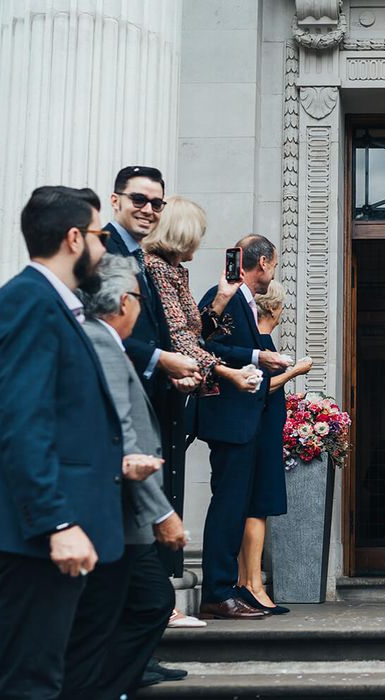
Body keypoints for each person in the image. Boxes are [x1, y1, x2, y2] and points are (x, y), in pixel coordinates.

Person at [0, 186, 124, 699]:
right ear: (74, 238)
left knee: (55, 675)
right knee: (31, 680)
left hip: (57, 528)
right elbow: (22, 423)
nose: (104, 249)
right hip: (34, 534)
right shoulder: (28, 301)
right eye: (98, 235)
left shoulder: (55, 304)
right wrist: (57, 523)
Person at [60, 254, 187, 698]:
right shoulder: (101, 344)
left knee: (143, 603)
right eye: (136, 295)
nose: (140, 305)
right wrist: (163, 513)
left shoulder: (102, 341)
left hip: (123, 513)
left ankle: (114, 683)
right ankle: (106, 687)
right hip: (118, 511)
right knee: (145, 603)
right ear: (121, 303)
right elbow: (125, 437)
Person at [104, 166, 199, 583]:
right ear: (116, 201)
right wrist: (163, 360)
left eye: (156, 203)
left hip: (150, 398)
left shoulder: (140, 257)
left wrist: (169, 372)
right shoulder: (106, 252)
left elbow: (156, 328)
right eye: (138, 200)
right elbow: (103, 331)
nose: (148, 209)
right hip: (118, 407)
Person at [197, 235, 292, 619]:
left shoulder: (248, 304)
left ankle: (233, 587)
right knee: (228, 507)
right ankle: (218, 591)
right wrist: (257, 355)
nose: (274, 269)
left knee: (239, 507)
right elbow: (201, 343)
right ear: (265, 263)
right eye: (274, 263)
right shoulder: (223, 297)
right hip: (230, 421)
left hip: (248, 422)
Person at [236, 281, 313, 612]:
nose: (283, 312)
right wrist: (296, 370)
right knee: (258, 507)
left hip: (265, 431)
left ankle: (248, 582)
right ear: (272, 308)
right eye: (281, 306)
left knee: (256, 507)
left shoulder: (262, 342)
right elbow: (260, 388)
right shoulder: (261, 343)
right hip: (261, 433)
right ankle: (251, 584)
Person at [141, 195, 261, 395]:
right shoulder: (158, 269)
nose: (200, 240)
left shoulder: (173, 270)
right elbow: (178, 337)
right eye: (199, 232)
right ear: (185, 233)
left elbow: (193, 333)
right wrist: (228, 372)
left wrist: (222, 297)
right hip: (161, 385)